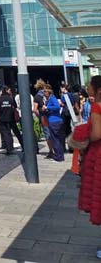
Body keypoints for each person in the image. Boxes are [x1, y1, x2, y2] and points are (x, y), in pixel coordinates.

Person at [78, 75, 101, 259]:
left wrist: (83, 138)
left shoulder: (97, 107)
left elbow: (96, 134)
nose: (87, 88)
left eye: (90, 85)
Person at [0, 86, 23, 154]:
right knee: (17, 133)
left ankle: (9, 148)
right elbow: (15, 107)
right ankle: (23, 145)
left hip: (3, 119)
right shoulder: (11, 98)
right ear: (7, 91)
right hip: (11, 118)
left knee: (6, 134)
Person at [42, 84, 65, 162]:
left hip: (54, 121)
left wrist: (47, 107)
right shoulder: (49, 99)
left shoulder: (52, 98)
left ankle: (58, 157)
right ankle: (59, 155)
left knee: (55, 139)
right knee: (57, 139)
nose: (43, 93)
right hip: (53, 120)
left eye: (45, 91)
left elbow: (57, 107)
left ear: (48, 92)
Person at [34, 79, 53, 157]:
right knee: (53, 132)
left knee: (47, 133)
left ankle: (51, 151)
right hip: (52, 116)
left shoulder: (37, 96)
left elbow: (35, 110)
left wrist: (40, 116)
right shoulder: (49, 94)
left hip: (44, 117)